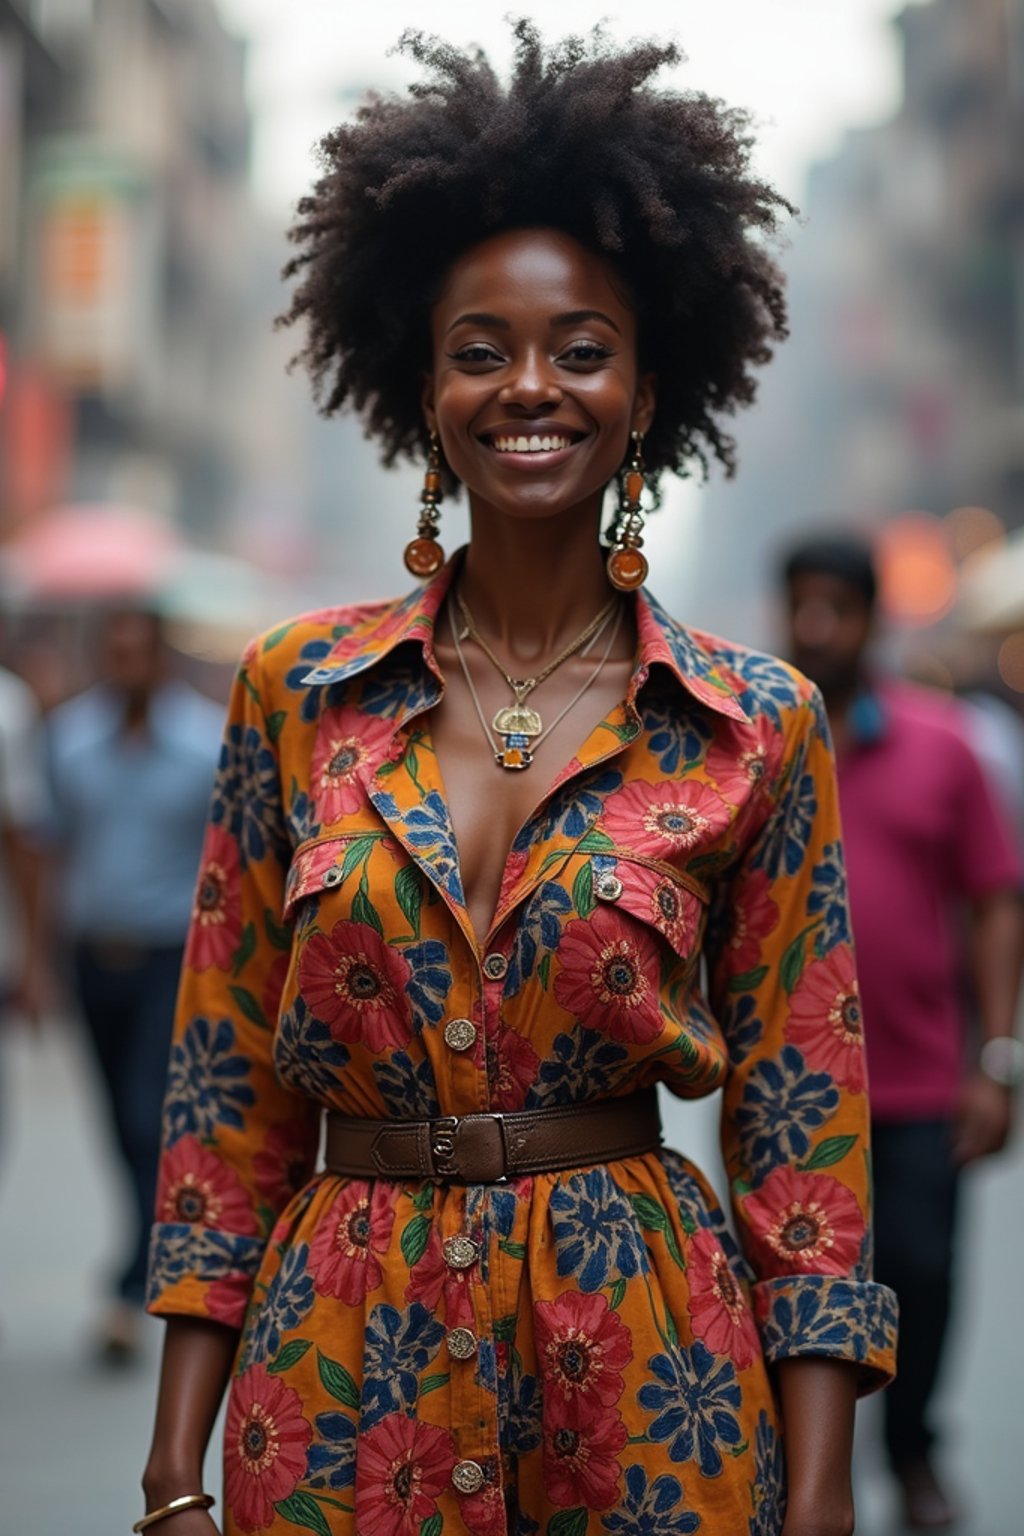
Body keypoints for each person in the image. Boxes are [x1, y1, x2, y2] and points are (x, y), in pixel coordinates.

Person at [139, 28, 897, 1536]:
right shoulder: (297, 693)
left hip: (646, 1376)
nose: (529, 387)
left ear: (647, 385)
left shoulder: (754, 721)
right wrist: (175, 1465)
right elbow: (224, 1095)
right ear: (422, 389)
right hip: (342, 1372)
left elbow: (805, 1123)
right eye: (480, 349)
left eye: (580, 348)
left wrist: (817, 1494)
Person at [781, 534, 1023, 1531]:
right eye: (802, 606)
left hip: (921, 1080)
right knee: (801, 1290)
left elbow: (995, 899)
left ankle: (912, 1450)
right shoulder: (767, 745)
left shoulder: (942, 744)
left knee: (920, 1271)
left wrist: (996, 1059)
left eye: (836, 608)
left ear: (872, 618)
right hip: (791, 1089)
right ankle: (805, 1475)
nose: (816, 627)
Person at [48, 608, 224, 1361]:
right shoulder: (69, 739)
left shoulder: (204, 739)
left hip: (171, 958)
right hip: (92, 954)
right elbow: (46, 844)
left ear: (160, 657)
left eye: (137, 652)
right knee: (117, 1122)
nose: (126, 665)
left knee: (146, 1114)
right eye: (112, 652)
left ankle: (130, 1277)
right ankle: (144, 1254)